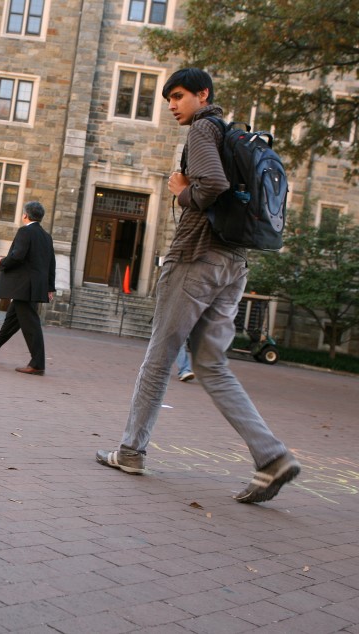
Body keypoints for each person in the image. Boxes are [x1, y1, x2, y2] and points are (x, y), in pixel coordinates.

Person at [95, 68, 299, 504]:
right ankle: (272, 456)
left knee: (159, 357)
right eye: (169, 97)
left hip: (195, 261)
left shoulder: (204, 131)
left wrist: (183, 190)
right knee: (210, 364)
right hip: (233, 265)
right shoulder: (231, 135)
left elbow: (213, 185)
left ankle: (130, 451)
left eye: (180, 95)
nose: (171, 104)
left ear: (203, 95)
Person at [0, 201, 56, 375]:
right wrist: (50, 287)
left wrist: (0, 261)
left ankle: (37, 364)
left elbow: (18, 256)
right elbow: (51, 264)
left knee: (31, 325)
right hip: (33, 287)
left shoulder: (25, 231)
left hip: (23, 287)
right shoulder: (46, 236)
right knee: (12, 321)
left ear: (25, 215)